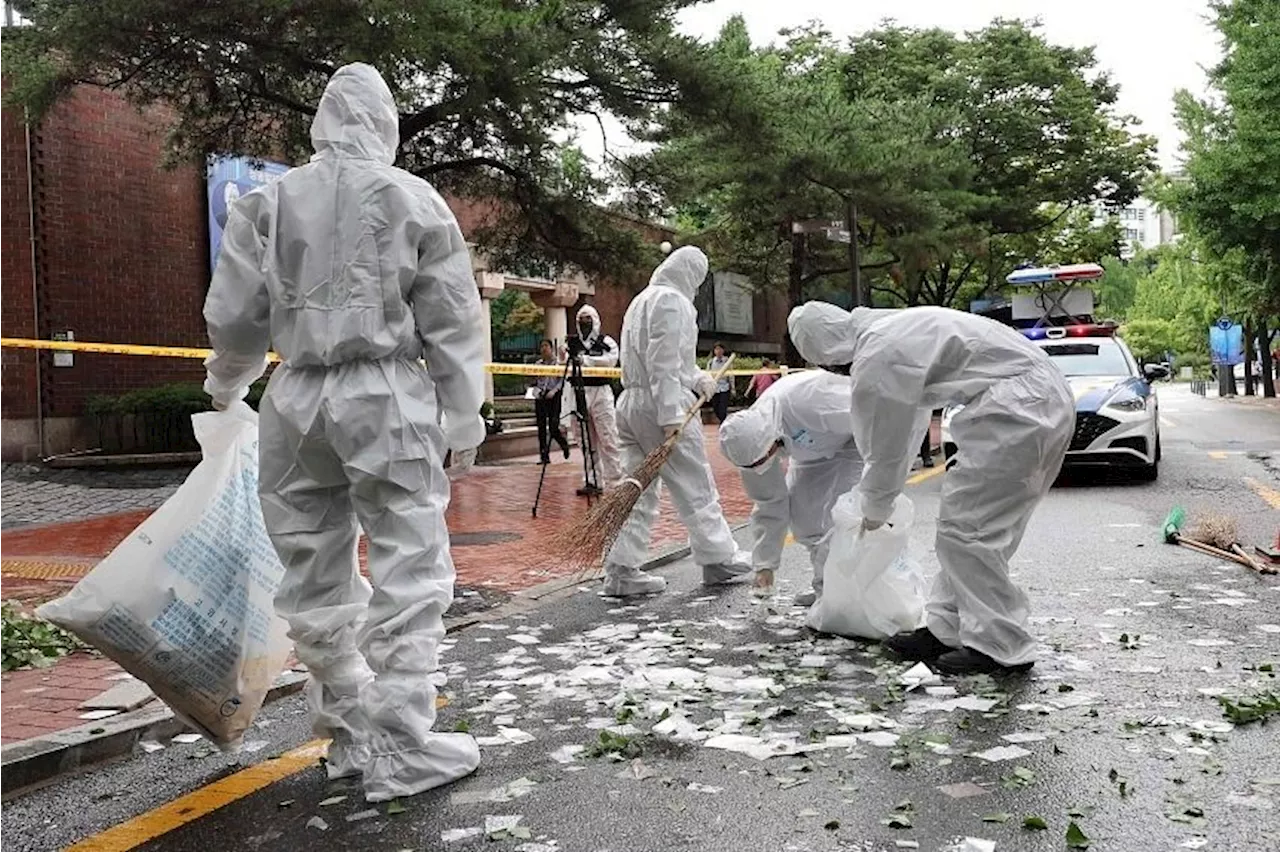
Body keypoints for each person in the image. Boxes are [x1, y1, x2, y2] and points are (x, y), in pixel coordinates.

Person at [202, 63, 483, 801]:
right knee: (408, 560)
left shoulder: (267, 201)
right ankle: (403, 742)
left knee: (311, 568)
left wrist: (226, 387)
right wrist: (464, 407)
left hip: (292, 397)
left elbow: (234, 316)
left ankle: (349, 733)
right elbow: (452, 316)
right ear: (383, 123)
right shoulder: (411, 196)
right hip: (383, 392)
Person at [787, 302, 1074, 676]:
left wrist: (874, 508)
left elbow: (884, 444)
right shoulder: (895, 327)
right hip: (1034, 401)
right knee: (967, 530)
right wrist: (881, 496)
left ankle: (1002, 646)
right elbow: (908, 426)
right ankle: (949, 628)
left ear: (827, 353)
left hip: (1019, 408)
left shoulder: (878, 350)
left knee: (969, 533)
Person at [602, 246, 752, 596]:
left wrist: (700, 379)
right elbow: (664, 363)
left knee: (635, 491)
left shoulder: (642, 301)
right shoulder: (673, 302)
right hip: (660, 407)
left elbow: (674, 364)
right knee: (694, 483)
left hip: (632, 405)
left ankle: (621, 570)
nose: (697, 289)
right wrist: (671, 416)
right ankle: (718, 558)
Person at [718, 370, 864, 605]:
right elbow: (769, 502)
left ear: (770, 442)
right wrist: (764, 566)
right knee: (805, 518)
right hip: (812, 449)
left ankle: (845, 595)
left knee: (841, 517)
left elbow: (875, 414)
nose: (759, 468)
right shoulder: (747, 441)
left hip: (859, 439)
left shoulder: (814, 403)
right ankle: (824, 589)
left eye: (760, 461)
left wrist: (884, 475)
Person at [562, 304, 625, 487]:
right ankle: (593, 479)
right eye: (581, 320)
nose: (584, 323)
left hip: (601, 392)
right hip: (578, 392)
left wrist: (587, 361)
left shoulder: (606, 342)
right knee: (584, 439)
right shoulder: (571, 344)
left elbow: (611, 361)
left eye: (588, 319)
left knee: (608, 436)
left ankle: (615, 479)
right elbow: (565, 364)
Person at [532, 339, 571, 465]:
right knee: (541, 427)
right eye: (541, 346)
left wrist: (554, 391)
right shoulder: (538, 364)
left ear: (551, 348)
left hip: (554, 397)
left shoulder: (558, 364)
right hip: (541, 397)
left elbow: (562, 380)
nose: (543, 349)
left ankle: (563, 444)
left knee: (553, 426)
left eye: (546, 346)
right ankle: (544, 456)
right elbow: (535, 381)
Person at [708, 342, 733, 423]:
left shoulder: (727, 361)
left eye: (720, 349)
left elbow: (731, 375)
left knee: (723, 408)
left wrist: (732, 388)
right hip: (714, 388)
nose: (718, 351)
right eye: (716, 349)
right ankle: (723, 421)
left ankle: (723, 424)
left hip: (724, 388)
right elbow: (708, 375)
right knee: (716, 408)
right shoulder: (711, 362)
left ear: (723, 350)